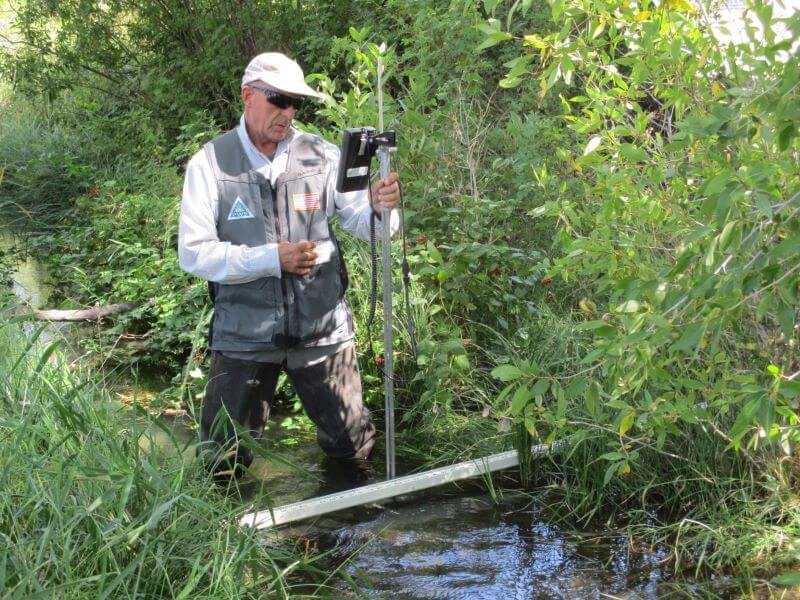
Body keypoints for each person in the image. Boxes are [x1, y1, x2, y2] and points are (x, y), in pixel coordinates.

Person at [178, 52, 401, 479]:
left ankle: (344, 534)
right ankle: (224, 542)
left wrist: (378, 206)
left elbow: (364, 223)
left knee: (353, 449)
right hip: (244, 333)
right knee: (221, 462)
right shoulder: (209, 164)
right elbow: (194, 253)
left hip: (322, 328)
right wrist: (271, 259)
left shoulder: (321, 155)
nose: (288, 112)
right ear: (248, 96)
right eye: (278, 99)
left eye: (295, 102)